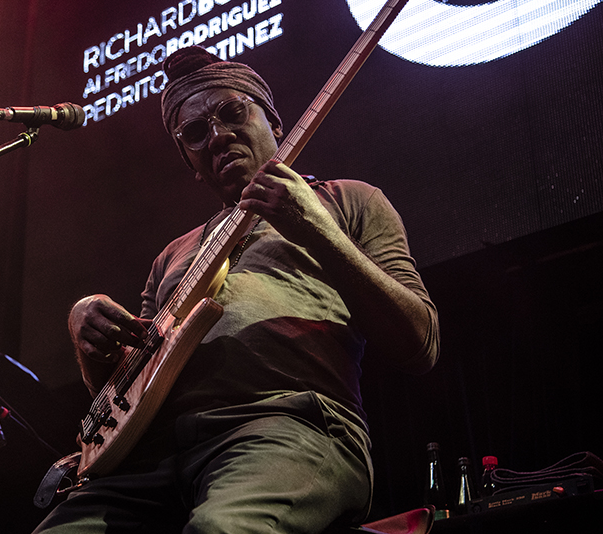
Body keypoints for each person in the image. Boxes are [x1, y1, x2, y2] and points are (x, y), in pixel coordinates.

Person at [33, 46, 439, 534]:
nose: (218, 135)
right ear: (192, 164)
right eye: (195, 133)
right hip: (151, 461)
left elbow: (421, 343)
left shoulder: (350, 200)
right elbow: (122, 405)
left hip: (287, 428)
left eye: (231, 112)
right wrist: (88, 337)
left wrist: (317, 230)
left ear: (274, 121)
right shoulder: (171, 256)